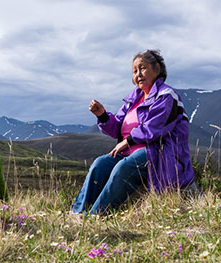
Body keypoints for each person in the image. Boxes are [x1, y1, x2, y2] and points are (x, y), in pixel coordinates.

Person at [72, 50, 196, 214]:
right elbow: (117, 128)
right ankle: (78, 213)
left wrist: (128, 141)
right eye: (134, 71)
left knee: (123, 167)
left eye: (142, 68)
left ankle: (96, 215)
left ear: (157, 69)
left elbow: (155, 128)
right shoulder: (133, 100)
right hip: (129, 152)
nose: (138, 74)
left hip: (158, 152)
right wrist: (102, 115)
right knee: (100, 164)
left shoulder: (166, 95)